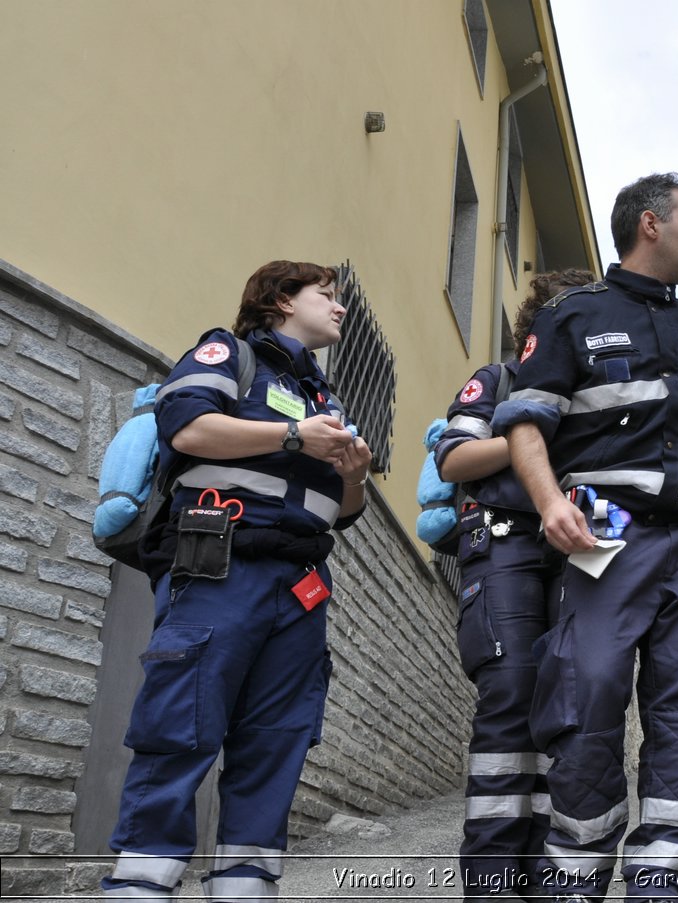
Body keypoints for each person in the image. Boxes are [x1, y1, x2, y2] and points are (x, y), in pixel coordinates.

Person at [493, 173, 678, 902]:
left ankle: (660, 877)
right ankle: (577, 879)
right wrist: (549, 500)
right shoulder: (572, 316)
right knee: (587, 698)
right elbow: (525, 420)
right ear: (650, 225)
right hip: (607, 536)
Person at [102, 261, 371, 901]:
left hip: (302, 586)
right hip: (220, 567)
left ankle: (245, 888)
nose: (339, 309)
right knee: (180, 728)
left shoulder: (322, 398)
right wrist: (291, 436)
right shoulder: (229, 355)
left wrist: (355, 473)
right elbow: (189, 429)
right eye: (325, 296)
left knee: (276, 742)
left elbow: (345, 509)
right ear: (282, 300)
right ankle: (139, 886)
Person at [435, 267, 595, 900]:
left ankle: (552, 874)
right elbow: (455, 458)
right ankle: (494, 878)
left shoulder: (604, 391)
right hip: (506, 544)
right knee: (509, 697)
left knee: (573, 705)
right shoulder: (498, 381)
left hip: (582, 555)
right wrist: (531, 431)